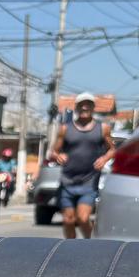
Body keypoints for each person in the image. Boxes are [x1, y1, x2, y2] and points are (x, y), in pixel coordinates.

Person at [47, 95, 116, 238]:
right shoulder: (65, 128)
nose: (85, 107)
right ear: (76, 107)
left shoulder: (103, 128)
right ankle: (71, 248)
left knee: (83, 218)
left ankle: (90, 245)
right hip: (67, 182)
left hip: (89, 182)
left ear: (93, 107)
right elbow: (53, 152)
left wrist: (104, 159)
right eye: (81, 104)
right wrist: (58, 156)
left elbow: (112, 150)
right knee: (68, 220)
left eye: (88, 104)